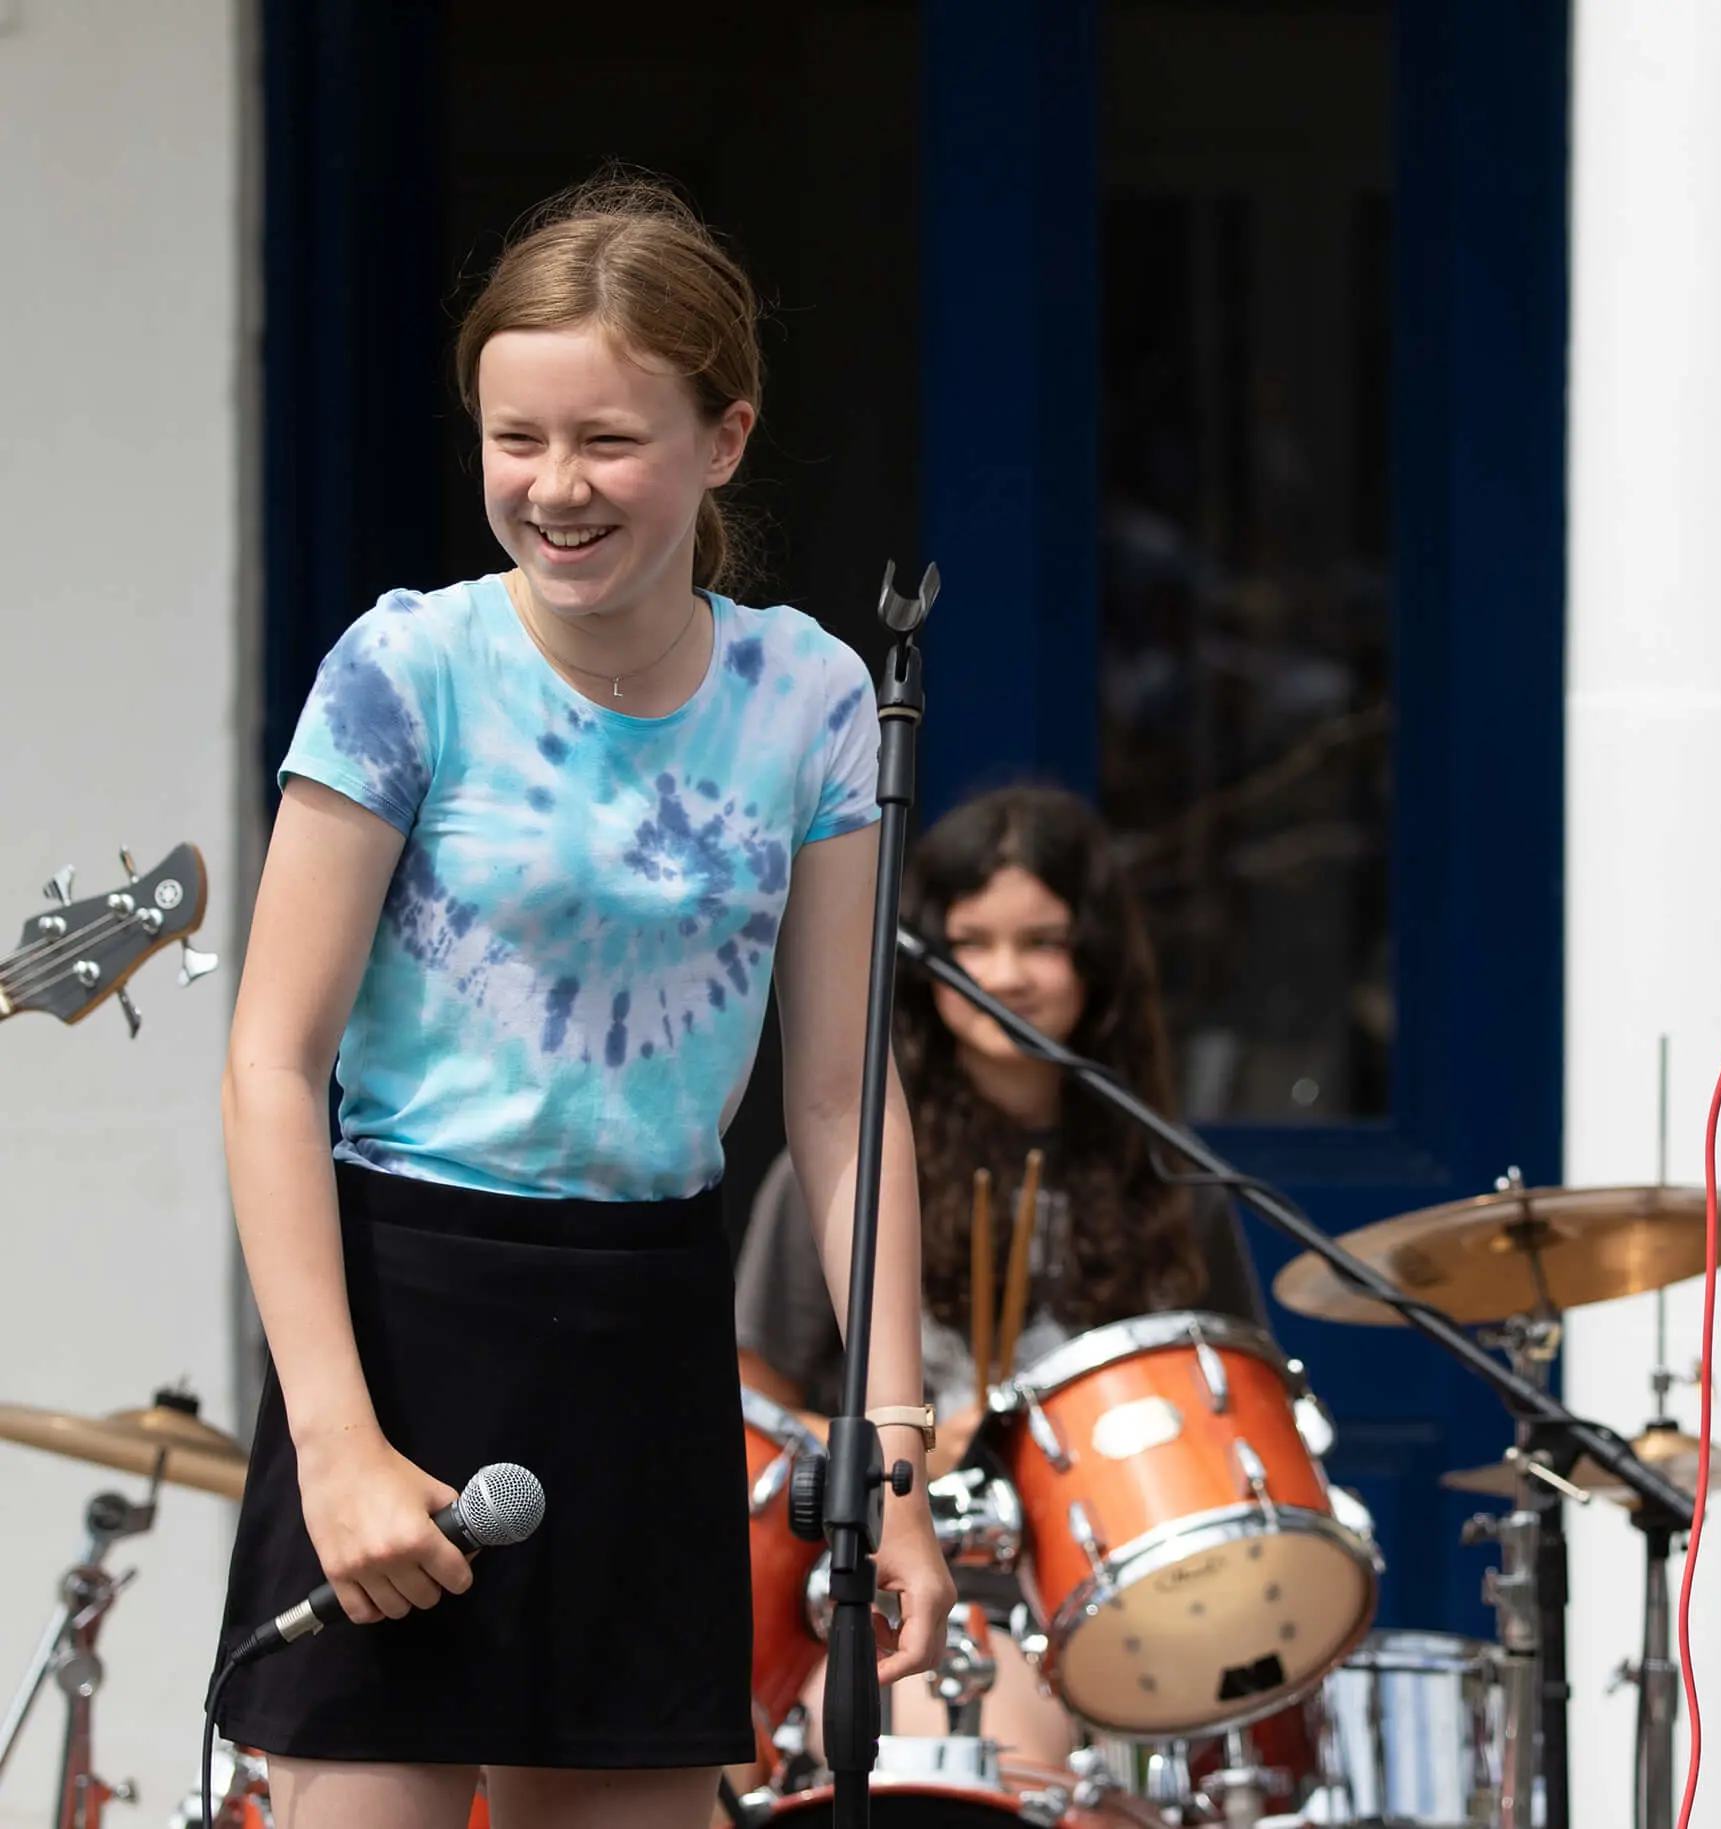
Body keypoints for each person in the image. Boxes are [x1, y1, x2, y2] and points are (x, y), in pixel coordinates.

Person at [216, 177, 954, 1829]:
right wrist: (335, 1438)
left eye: (609, 440)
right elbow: (272, 1060)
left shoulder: (812, 696)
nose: (556, 487)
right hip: (402, 1309)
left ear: (726, 436)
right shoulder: (404, 672)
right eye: (516, 437)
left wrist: (889, 1450)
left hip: (643, 1325)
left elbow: (838, 1100)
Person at [734, 783, 1268, 1760]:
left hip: (1114, 1601)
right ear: (923, 961)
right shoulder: (852, 1165)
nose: (1005, 975)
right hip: (885, 1585)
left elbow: (1232, 1421)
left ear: (1096, 959)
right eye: (970, 944)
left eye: (1043, 942)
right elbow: (751, 1426)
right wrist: (898, 1454)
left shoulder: (1169, 1178)